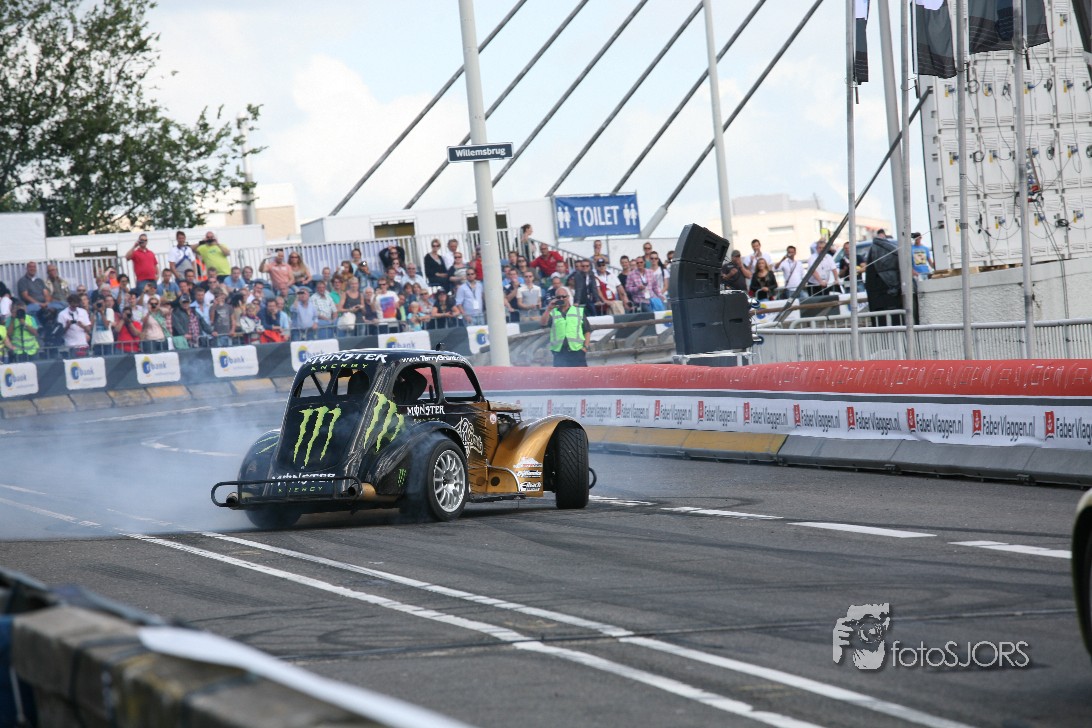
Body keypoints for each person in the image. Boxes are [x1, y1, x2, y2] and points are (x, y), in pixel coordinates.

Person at [540, 287, 591, 367]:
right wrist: (548, 309)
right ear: (555, 299)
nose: (561, 299)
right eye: (558, 297)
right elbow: (543, 323)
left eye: (564, 296)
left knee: (580, 374)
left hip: (577, 351)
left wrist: (585, 347)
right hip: (559, 352)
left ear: (568, 297)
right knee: (561, 375)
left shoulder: (578, 311)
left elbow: (587, 330)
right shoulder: (552, 312)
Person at [865, 230, 903, 325]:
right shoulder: (892, 251)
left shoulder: (874, 251)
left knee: (881, 323)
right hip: (888, 296)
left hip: (877, 296)